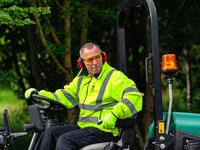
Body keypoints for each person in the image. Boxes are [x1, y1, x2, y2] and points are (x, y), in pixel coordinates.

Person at [25, 42, 143, 150]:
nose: (95, 63)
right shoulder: (81, 80)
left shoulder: (114, 77)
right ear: (82, 63)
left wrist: (114, 115)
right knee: (51, 132)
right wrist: (38, 94)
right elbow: (65, 96)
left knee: (65, 140)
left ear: (103, 57)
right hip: (85, 129)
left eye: (97, 57)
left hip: (105, 130)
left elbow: (134, 96)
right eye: (90, 60)